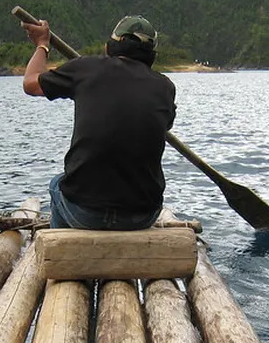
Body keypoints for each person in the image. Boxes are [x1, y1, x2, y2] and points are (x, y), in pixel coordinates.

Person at [21, 15, 176, 229]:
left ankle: (60, 244)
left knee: (57, 184)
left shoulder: (86, 68)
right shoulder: (165, 88)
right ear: (151, 55)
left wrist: (42, 45)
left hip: (85, 212)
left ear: (108, 47)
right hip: (142, 215)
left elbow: (30, 83)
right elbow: (164, 125)